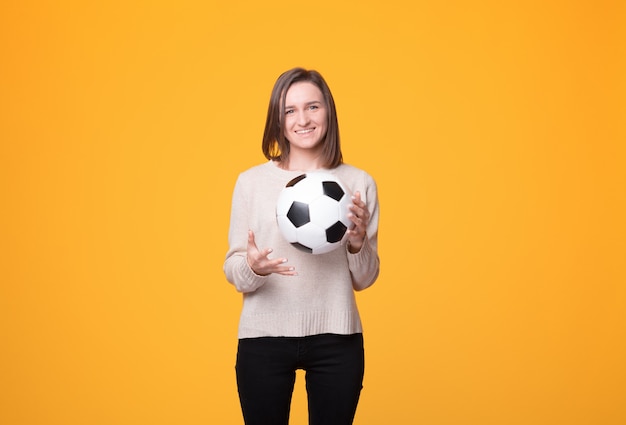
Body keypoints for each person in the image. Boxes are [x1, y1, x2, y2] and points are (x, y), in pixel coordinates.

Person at [223, 67, 380, 425]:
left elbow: (365, 279)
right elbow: (235, 270)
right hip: (264, 336)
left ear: (329, 112)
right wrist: (254, 268)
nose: (303, 119)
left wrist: (357, 243)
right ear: (277, 120)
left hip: (337, 338)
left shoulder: (358, 182)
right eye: (290, 110)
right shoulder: (251, 182)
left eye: (313, 107)